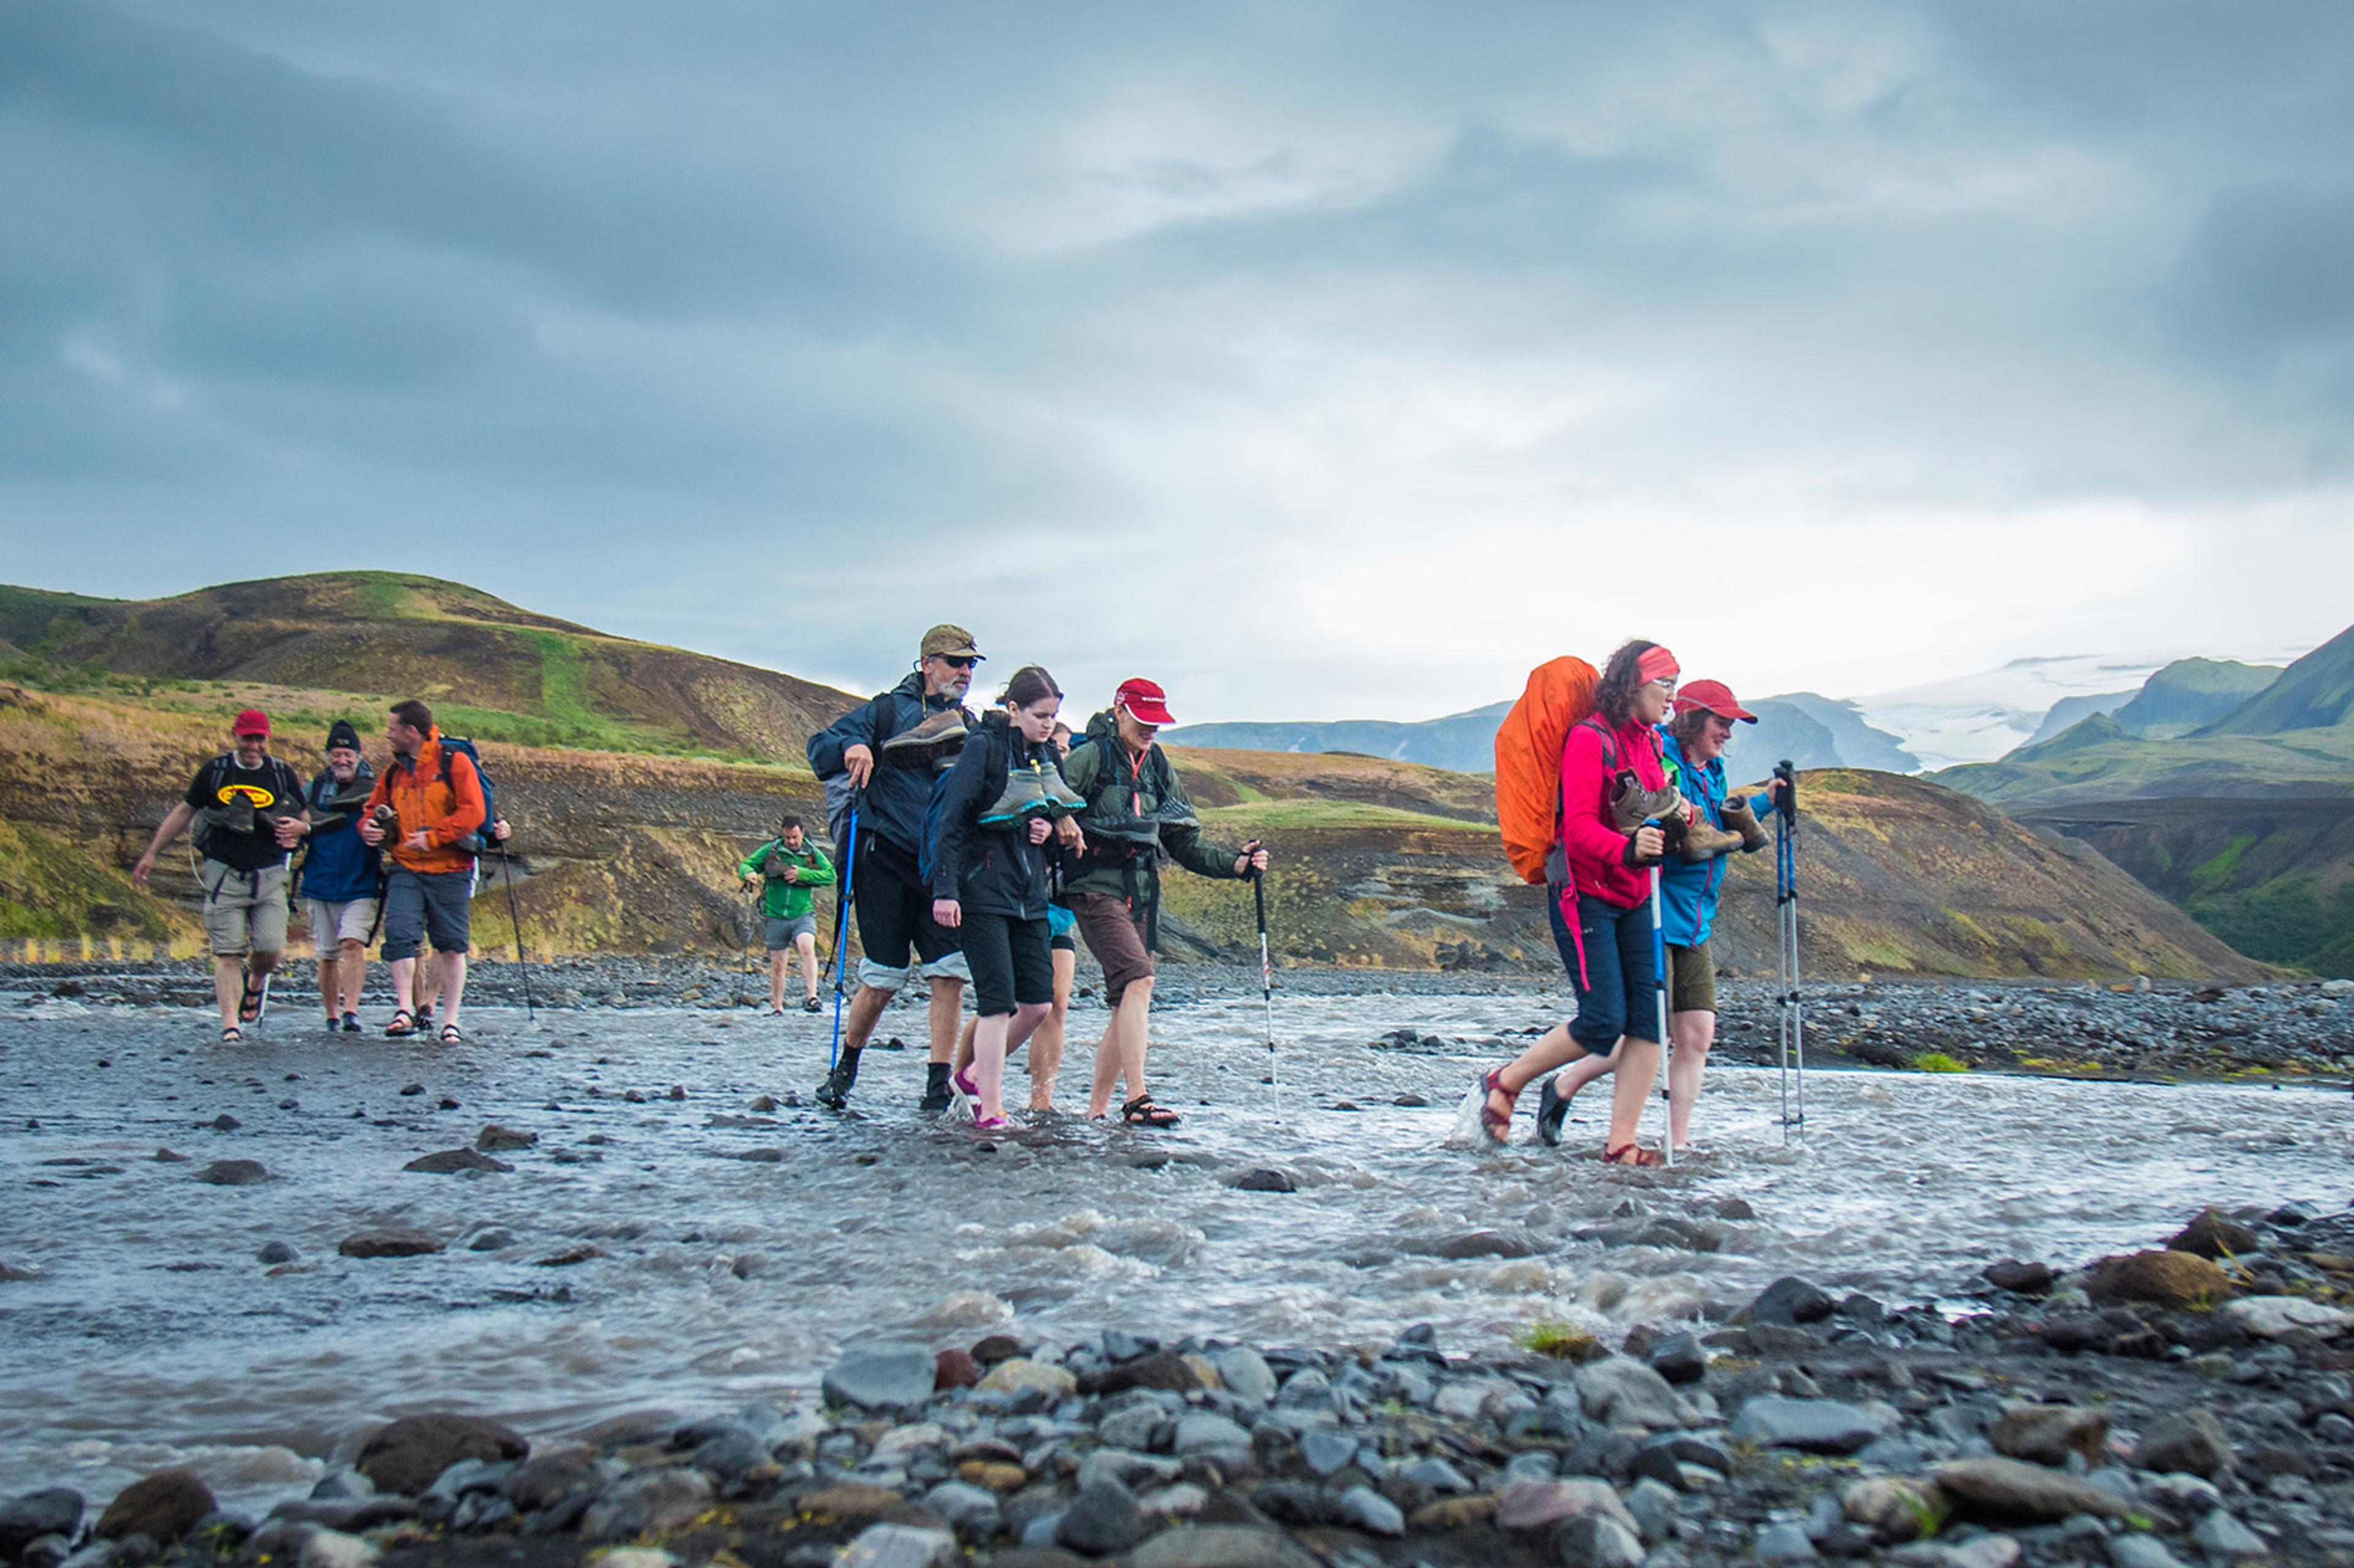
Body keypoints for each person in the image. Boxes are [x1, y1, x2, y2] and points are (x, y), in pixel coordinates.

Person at [1532, 679, 1782, 1152]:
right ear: (1691, 717)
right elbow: (1684, 833)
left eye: (1731, 724)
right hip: (1654, 911)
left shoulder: (1712, 771)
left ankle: (1677, 1143)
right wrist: (1729, 836)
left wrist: (1766, 802)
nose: (1728, 732)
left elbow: (1715, 820)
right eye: (1720, 721)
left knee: (1696, 1033)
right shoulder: (1658, 757)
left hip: (1695, 917)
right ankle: (1565, 1085)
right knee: (1648, 1029)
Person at [1470, 641, 1680, 1163]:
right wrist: (1629, 849)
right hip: (1584, 894)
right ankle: (1505, 1081)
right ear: (1634, 684)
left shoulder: (1651, 744)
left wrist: (1681, 821)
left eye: (1676, 683)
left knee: (1649, 1021)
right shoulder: (1590, 739)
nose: (1672, 696)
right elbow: (1579, 828)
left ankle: (1621, 1144)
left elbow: (1654, 806)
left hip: (1634, 895)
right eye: (1666, 683)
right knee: (1603, 1020)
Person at [1061, 678, 1268, 1127]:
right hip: (1093, 886)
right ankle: (1137, 1100)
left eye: (1157, 722)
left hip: (1141, 891)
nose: (1151, 730)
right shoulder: (1087, 759)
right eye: (1143, 720)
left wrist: (1236, 864)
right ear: (1119, 713)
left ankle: (1096, 1111)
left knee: (1126, 1000)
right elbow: (1048, 808)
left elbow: (1183, 840)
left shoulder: (1156, 764)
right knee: (1140, 979)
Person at [805, 625, 982, 1111]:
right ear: (926, 663)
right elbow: (820, 747)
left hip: (940, 868)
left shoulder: (969, 723)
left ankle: (936, 1087)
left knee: (950, 974)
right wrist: (851, 748)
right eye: (954, 662)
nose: (964, 672)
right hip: (882, 859)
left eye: (970, 664)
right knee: (883, 976)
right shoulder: (884, 711)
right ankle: (846, 1067)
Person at [926, 666, 1083, 1129]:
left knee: (1037, 1005)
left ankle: (973, 1076)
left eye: (1053, 717)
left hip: (1028, 895)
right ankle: (989, 1109)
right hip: (981, 892)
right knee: (996, 1003)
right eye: (1038, 716)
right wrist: (946, 891)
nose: (1047, 725)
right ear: (1013, 710)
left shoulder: (1045, 758)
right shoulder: (983, 749)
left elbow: (1050, 821)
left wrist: (1045, 830)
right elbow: (951, 821)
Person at [131, 709, 311, 1041]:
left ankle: (255, 983)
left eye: (259, 738)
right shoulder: (215, 772)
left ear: (267, 739)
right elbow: (186, 810)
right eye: (247, 738)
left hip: (271, 872)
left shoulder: (281, 773)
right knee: (228, 951)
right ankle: (231, 1025)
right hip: (224, 872)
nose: (253, 745)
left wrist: (302, 829)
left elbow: (303, 815)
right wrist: (152, 852)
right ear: (235, 736)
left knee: (270, 949)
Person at [357, 699, 486, 1045]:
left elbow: (474, 811)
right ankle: (403, 1011)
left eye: (392, 729)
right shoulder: (393, 772)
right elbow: (371, 809)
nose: (388, 735)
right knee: (399, 933)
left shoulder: (454, 763)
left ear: (411, 731)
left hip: (452, 868)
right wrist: (367, 827)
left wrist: (433, 838)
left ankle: (451, 1022)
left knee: (452, 945)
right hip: (405, 866)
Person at [297, 719, 381, 1032]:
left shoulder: (376, 787)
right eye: (336, 754)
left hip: (360, 881)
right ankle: (331, 1014)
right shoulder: (315, 787)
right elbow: (294, 814)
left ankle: (351, 1012)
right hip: (320, 880)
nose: (342, 760)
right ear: (328, 756)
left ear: (358, 755)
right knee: (327, 953)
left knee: (352, 944)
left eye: (348, 754)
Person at [737, 814, 836, 1013]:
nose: (791, 842)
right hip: (775, 914)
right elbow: (747, 864)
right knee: (778, 963)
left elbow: (830, 875)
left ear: (802, 834)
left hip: (803, 913)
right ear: (783, 834)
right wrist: (748, 874)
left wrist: (802, 874)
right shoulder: (771, 850)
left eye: (795, 838)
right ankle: (778, 1006)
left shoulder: (811, 853)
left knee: (806, 947)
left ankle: (812, 997)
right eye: (788, 838)